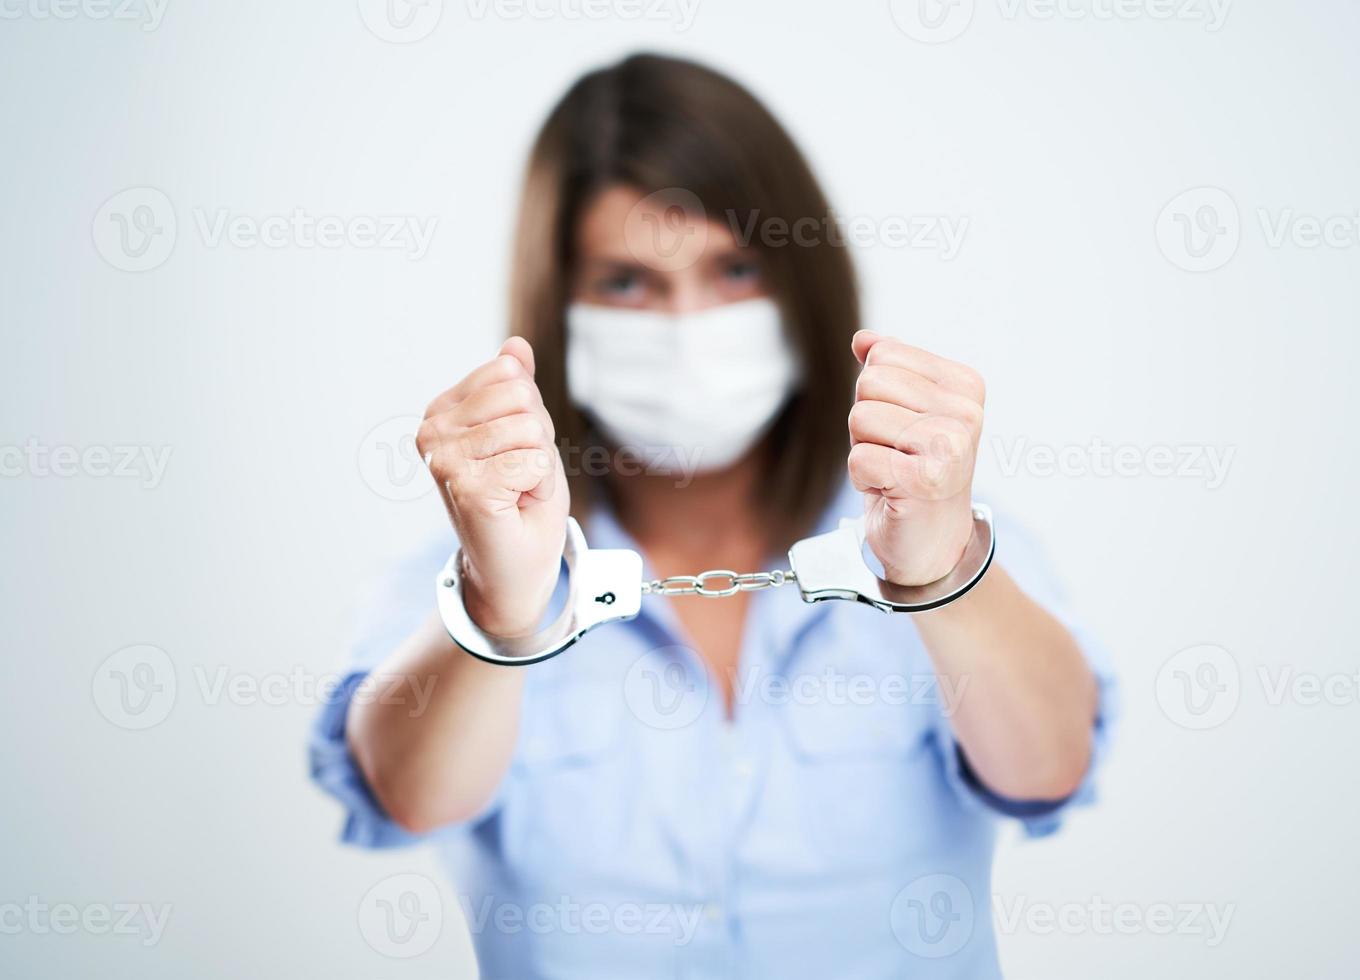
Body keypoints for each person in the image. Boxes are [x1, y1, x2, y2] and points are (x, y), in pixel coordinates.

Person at [311, 52, 1114, 979]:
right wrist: (500, 607)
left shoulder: (947, 540)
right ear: (559, 309)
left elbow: (1053, 766)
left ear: (799, 284)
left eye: (734, 269)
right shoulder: (461, 581)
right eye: (626, 283)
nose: (688, 325)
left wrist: (938, 571)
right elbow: (404, 797)